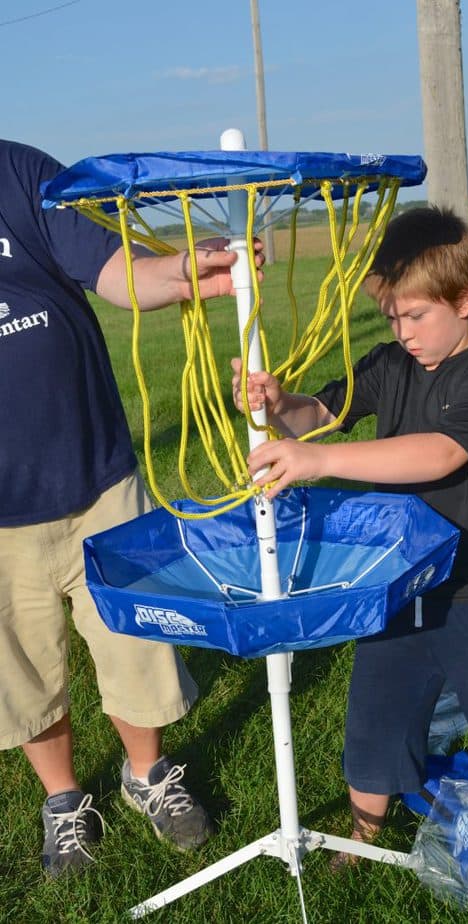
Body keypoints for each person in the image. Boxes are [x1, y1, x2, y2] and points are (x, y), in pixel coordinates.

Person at [231, 206, 468, 877]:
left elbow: (437, 454)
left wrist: (321, 464)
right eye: (391, 317)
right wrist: (274, 401)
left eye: (415, 316)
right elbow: (318, 414)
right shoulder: (389, 363)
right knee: (375, 724)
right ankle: (364, 835)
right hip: (397, 587)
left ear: (463, 300)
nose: (401, 333)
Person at [0, 138, 263, 877]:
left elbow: (115, 274)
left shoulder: (19, 171)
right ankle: (63, 802)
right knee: (21, 670)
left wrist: (186, 272)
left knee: (137, 643)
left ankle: (147, 775)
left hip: (97, 479)